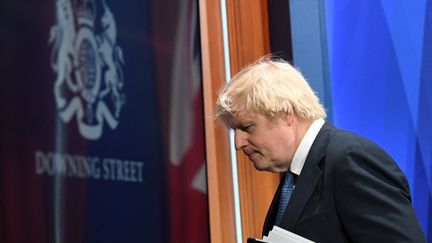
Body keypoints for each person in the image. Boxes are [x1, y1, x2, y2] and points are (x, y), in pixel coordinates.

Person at [216, 57, 426, 243]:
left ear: (286, 113)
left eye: (246, 127)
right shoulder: (294, 176)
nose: (238, 143)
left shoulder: (350, 159)